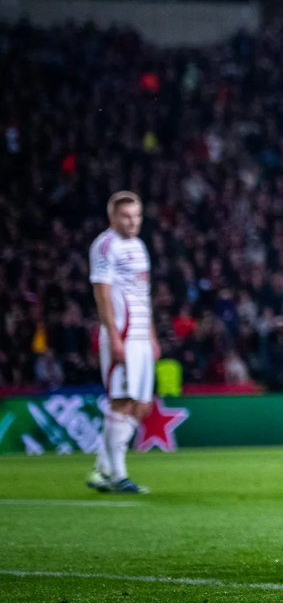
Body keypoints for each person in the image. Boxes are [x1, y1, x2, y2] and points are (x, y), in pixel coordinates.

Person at [87, 191, 158, 496]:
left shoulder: (139, 247)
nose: (132, 221)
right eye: (126, 216)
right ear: (112, 216)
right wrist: (114, 336)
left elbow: (143, 294)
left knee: (141, 405)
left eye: (137, 215)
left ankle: (102, 469)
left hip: (141, 336)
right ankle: (118, 475)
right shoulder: (106, 245)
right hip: (123, 335)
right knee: (121, 401)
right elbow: (102, 293)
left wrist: (152, 334)